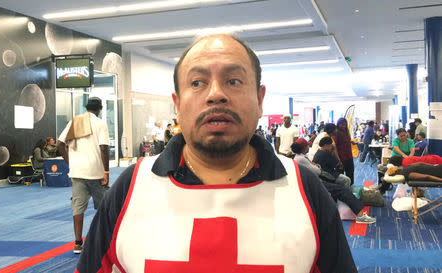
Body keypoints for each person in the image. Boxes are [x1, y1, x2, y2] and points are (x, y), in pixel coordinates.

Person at [76, 34, 357, 273]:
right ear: (177, 104)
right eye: (197, 83)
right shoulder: (132, 186)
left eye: (234, 81)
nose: (215, 94)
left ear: (260, 100)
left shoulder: (304, 188)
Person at [57, 97, 110, 254]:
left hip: (77, 172)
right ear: (99, 109)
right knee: (104, 207)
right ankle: (103, 240)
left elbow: (59, 144)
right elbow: (104, 148)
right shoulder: (100, 123)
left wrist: (70, 162)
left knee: (77, 208)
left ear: (86, 107)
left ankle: (78, 243)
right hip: (95, 172)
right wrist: (106, 172)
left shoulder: (74, 122)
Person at [292, 140, 375, 224]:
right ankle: (360, 215)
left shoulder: (300, 157)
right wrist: (317, 166)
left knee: (341, 187)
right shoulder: (301, 159)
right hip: (314, 184)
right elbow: (317, 171)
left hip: (314, 181)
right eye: (307, 146)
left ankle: (354, 211)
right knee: (343, 189)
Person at [333, 118, 355, 185]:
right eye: (342, 125)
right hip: (341, 158)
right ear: (338, 124)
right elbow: (334, 147)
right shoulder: (336, 133)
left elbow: (345, 141)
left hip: (349, 157)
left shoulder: (346, 132)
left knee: (350, 174)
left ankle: (350, 189)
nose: (343, 126)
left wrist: (350, 141)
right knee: (341, 177)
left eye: (345, 124)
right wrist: (338, 159)